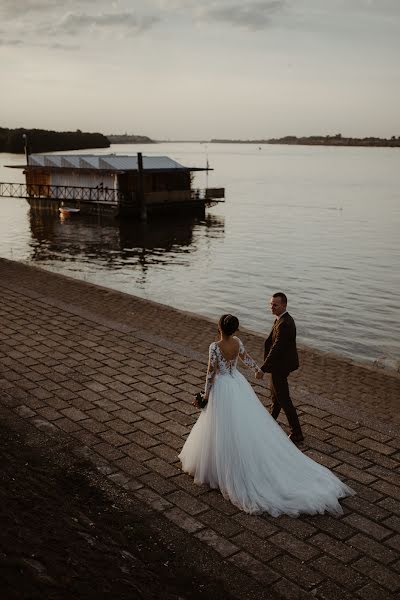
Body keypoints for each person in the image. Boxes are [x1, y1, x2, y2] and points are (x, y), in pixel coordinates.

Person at [179, 314, 354, 516]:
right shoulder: (237, 342)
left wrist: (206, 395)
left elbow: (211, 372)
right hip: (237, 384)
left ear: (219, 327)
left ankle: (220, 464)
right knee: (242, 424)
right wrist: (257, 370)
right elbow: (246, 358)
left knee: (220, 426)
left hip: (221, 387)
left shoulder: (214, 346)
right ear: (234, 329)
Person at [256, 292, 303, 443]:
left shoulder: (285, 324)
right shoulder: (280, 320)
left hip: (280, 367)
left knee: (283, 399)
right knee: (276, 398)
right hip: (279, 365)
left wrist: (263, 368)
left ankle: (297, 433)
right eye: (271, 304)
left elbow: (276, 348)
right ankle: (270, 423)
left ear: (284, 305)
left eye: (275, 305)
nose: (272, 307)